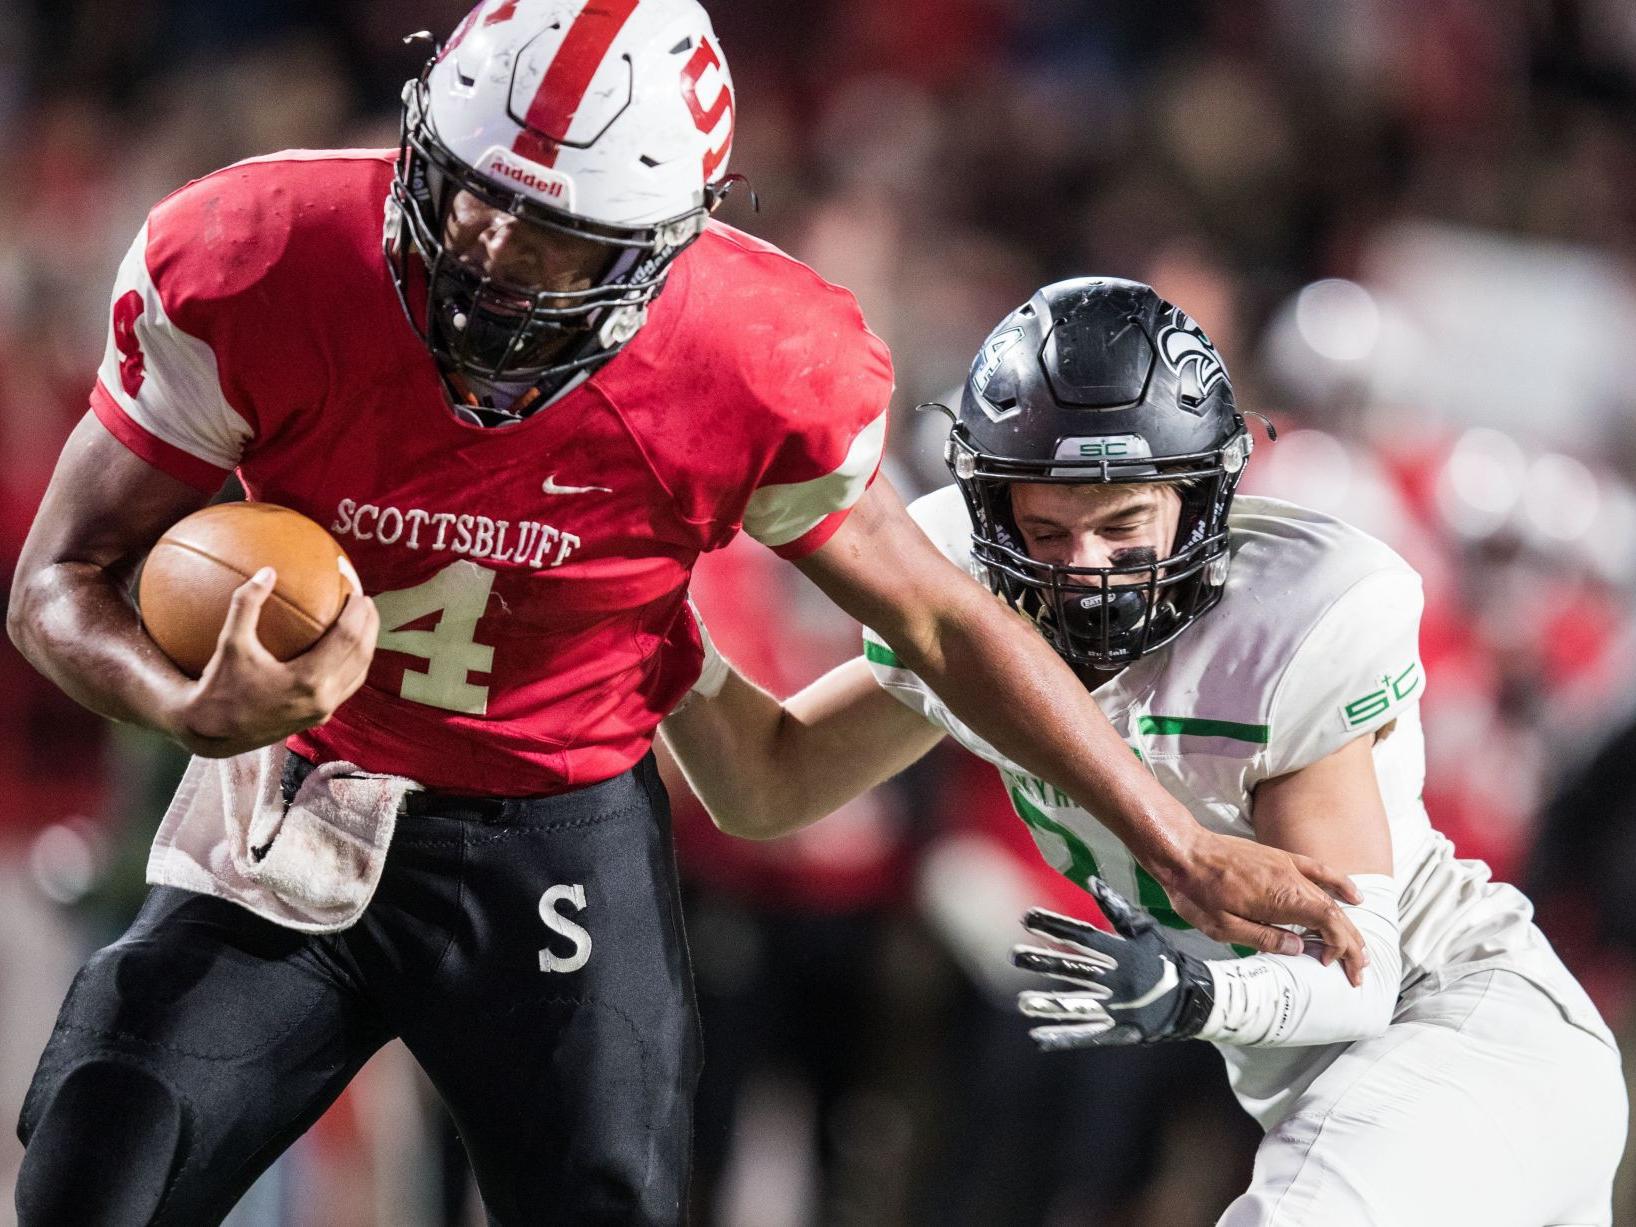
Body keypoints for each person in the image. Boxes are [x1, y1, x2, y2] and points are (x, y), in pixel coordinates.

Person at [3, 3, 1363, 1223]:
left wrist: (1181, 843)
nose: (484, 245)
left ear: (664, 246)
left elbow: (941, 623)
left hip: (552, 831)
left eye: (548, 228)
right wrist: (180, 699)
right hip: (298, 794)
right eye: (473, 192)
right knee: (97, 1157)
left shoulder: (752, 355)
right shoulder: (263, 253)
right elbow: (57, 583)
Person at [660, 278, 1627, 1225]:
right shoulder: (976, 616)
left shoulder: (1285, 629)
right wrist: (645, 617)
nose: (1086, 570)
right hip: (1341, 1082)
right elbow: (768, 781)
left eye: (1125, 525)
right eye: (1047, 529)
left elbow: (1358, 974)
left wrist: (1193, 989)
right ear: (992, 516)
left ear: (1200, 505)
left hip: (1466, 1030)